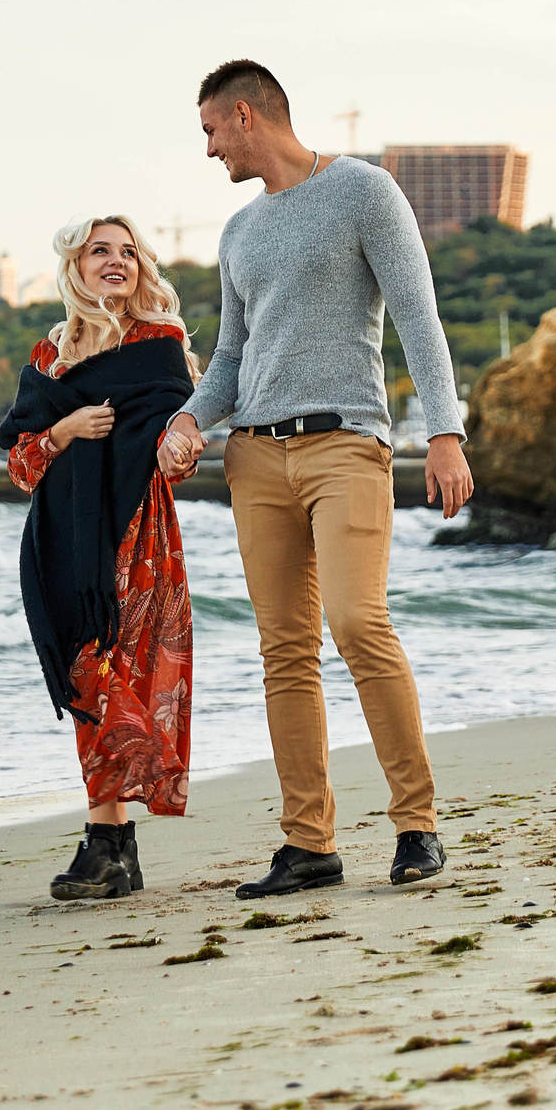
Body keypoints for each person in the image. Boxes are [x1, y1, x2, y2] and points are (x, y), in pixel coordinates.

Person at [156, 59, 475, 898]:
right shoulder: (237, 234)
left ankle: (417, 823)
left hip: (346, 445)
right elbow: (231, 355)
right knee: (285, 652)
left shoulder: (365, 192)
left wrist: (445, 432)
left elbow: (417, 314)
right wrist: (191, 419)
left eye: (211, 131)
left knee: (357, 622)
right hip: (255, 457)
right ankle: (310, 844)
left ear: (247, 114)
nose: (210, 150)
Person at [0, 215, 200, 901]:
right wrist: (63, 429)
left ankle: (105, 842)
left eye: (128, 252)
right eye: (100, 251)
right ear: (75, 266)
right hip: (61, 543)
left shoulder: (156, 342)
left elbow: (173, 443)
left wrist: (178, 448)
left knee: (110, 674)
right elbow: (22, 465)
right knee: (87, 676)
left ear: (142, 267)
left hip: (134, 537)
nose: (116, 262)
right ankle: (113, 847)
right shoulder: (49, 357)